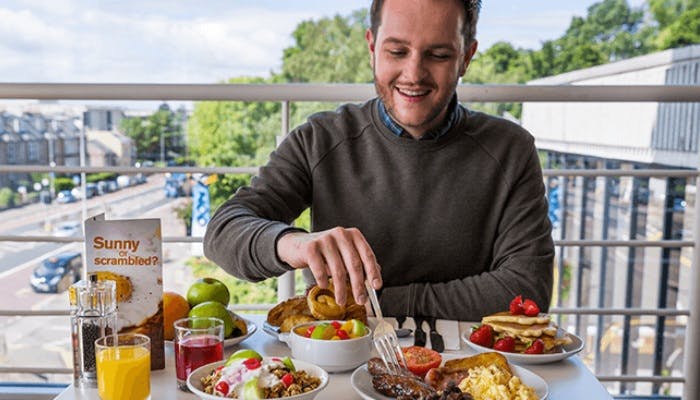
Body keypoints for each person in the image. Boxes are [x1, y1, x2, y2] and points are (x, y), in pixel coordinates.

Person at [204, 0, 554, 321]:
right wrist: (290, 243)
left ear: (466, 57)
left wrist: (375, 303)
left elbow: (525, 290)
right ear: (372, 47)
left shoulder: (511, 149)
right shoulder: (319, 139)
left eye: (439, 55)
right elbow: (222, 232)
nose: (414, 74)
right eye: (397, 51)